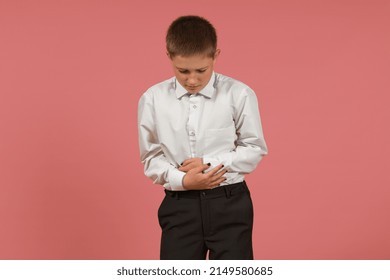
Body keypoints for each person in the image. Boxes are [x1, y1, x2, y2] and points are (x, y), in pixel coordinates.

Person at [138, 15, 268, 260]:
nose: (192, 80)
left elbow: (253, 148)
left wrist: (208, 163)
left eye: (201, 70)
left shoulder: (238, 94)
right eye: (183, 71)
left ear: (215, 56)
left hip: (230, 204)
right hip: (180, 205)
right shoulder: (153, 99)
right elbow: (151, 157)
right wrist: (184, 181)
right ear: (169, 56)